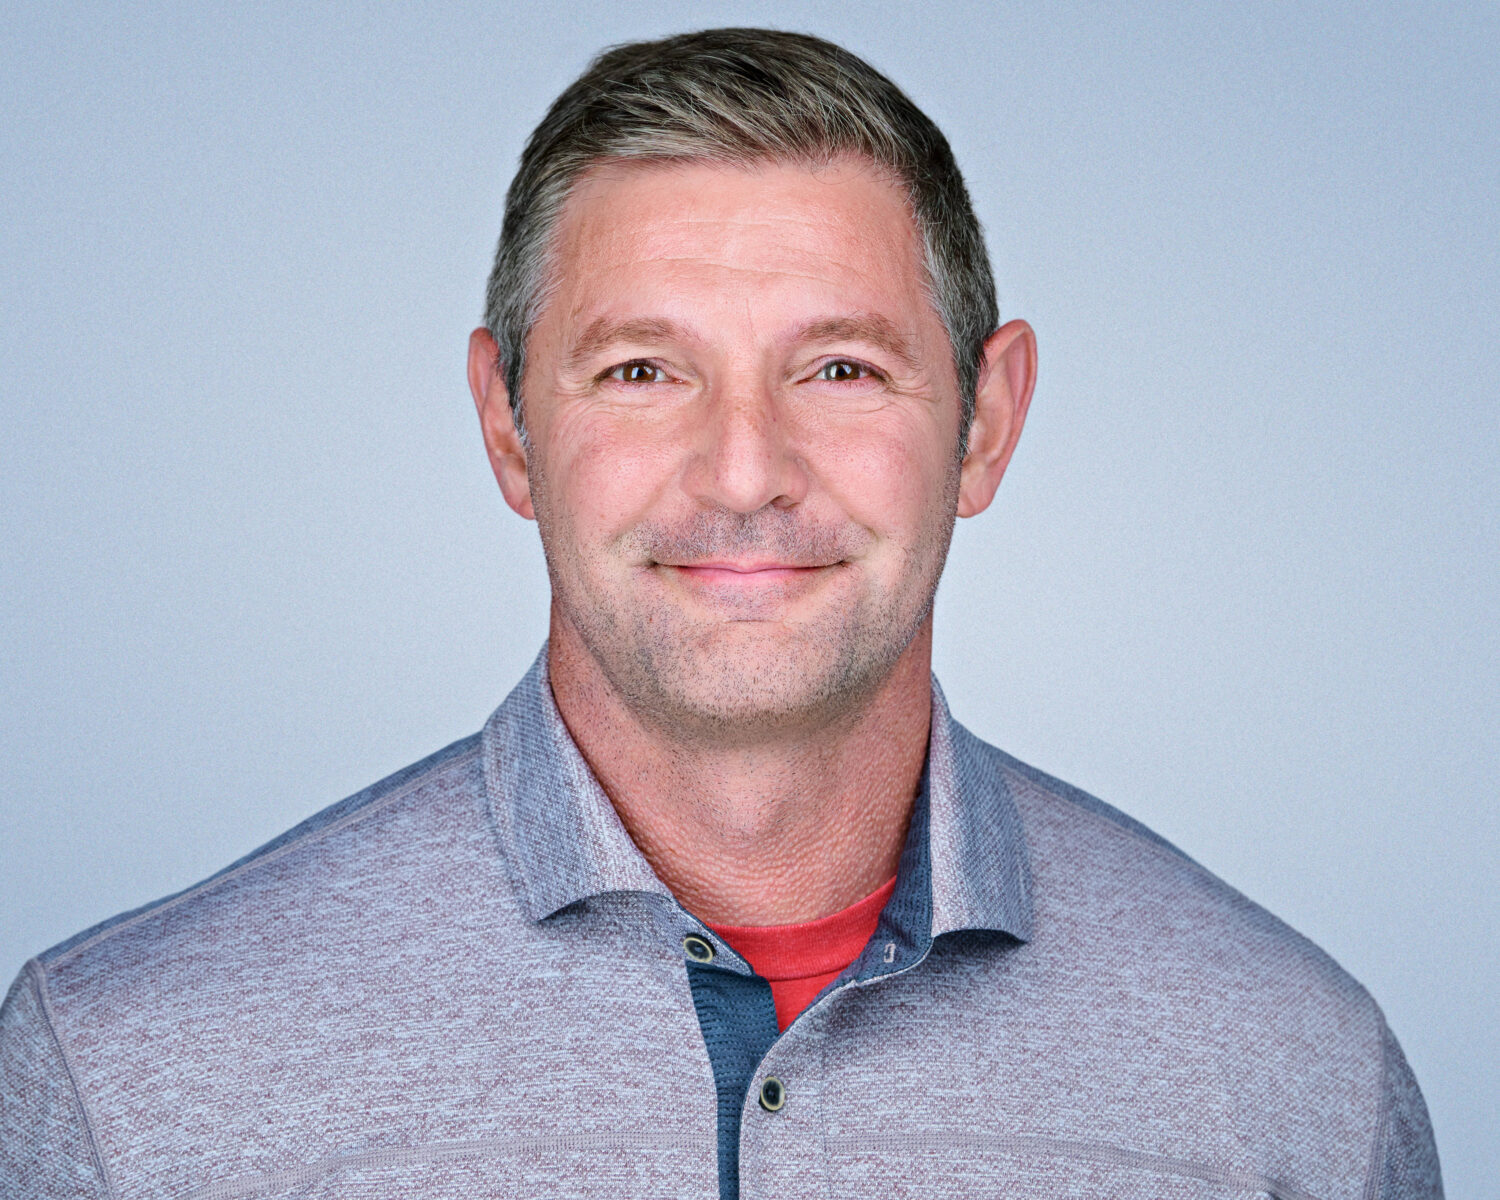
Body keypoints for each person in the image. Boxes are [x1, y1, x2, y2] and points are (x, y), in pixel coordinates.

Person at [0, 27, 1440, 1200]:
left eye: (840, 371)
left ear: (987, 422)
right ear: (507, 429)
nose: (745, 473)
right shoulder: (127, 1077)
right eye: (641, 371)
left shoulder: (1297, 1076)